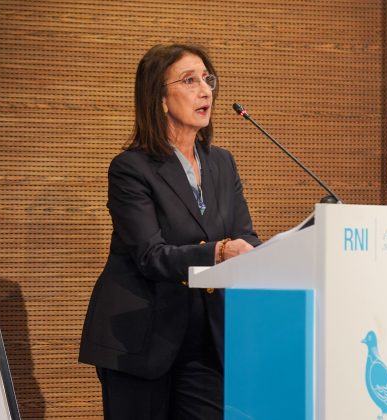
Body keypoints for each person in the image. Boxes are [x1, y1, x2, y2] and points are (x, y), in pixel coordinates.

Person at [78, 43, 261, 419]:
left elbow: (245, 235)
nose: (205, 90)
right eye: (190, 81)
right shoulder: (131, 168)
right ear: (159, 99)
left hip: (205, 339)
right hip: (140, 337)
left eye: (207, 79)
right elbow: (150, 256)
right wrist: (218, 251)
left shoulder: (222, 163)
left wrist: (261, 252)